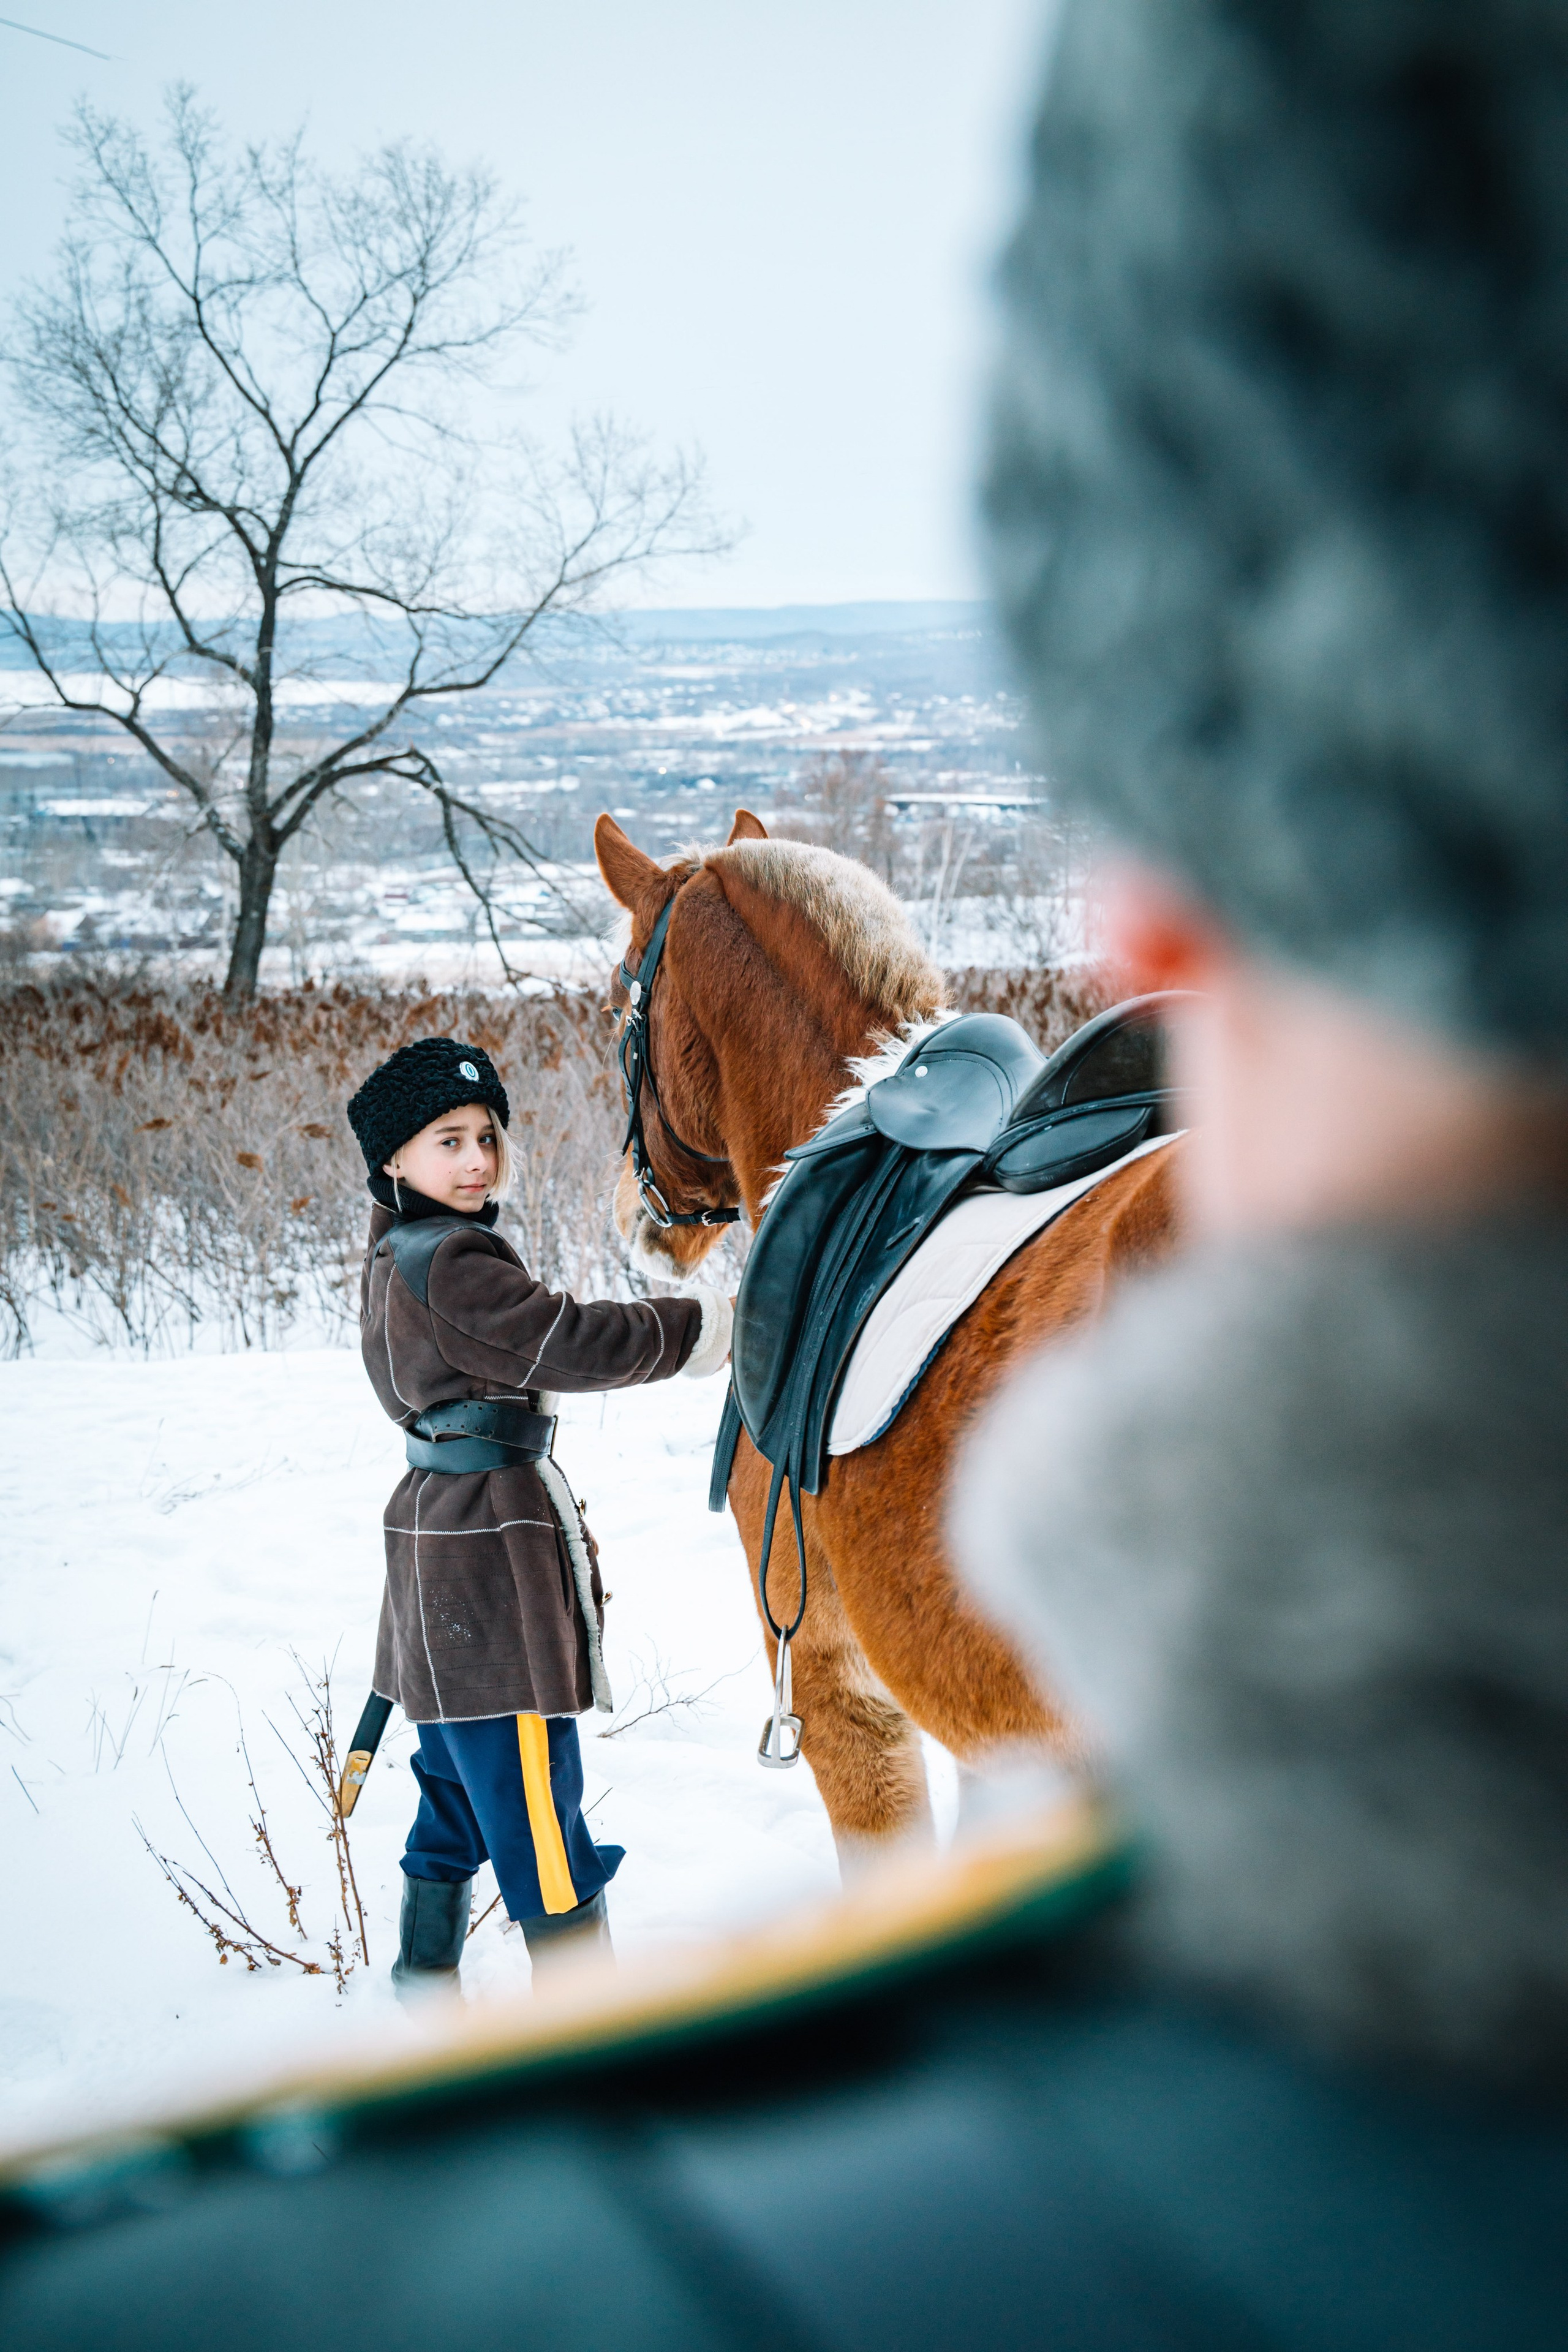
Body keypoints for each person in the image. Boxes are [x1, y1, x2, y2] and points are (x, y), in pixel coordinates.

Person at [4, 4, 1568, 2344]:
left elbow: (564, 1327)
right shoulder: (421, 1277)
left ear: (1165, 910)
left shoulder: (272, 2292)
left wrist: (693, 1324)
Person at [344, 1035, 733, 1988]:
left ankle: (423, 1993)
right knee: (534, 1816)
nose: (477, 1159)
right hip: (484, 1553)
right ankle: (584, 2026)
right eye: (448, 1140)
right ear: (394, 1158)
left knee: (453, 1795)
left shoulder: (395, 1250)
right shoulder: (453, 1260)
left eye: (486, 1136)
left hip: (439, 1538)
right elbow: (569, 1341)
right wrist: (710, 1328)